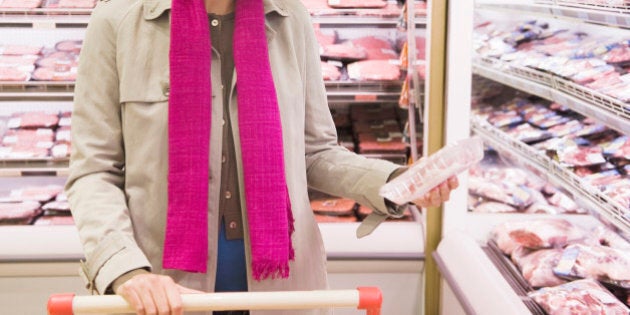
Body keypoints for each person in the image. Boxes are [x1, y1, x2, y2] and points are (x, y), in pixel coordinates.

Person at [65, 0, 459, 314]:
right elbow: (94, 171)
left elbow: (314, 153)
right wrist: (126, 270)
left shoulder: (290, 18)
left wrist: (393, 182)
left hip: (284, 291)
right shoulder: (117, 20)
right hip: (164, 291)